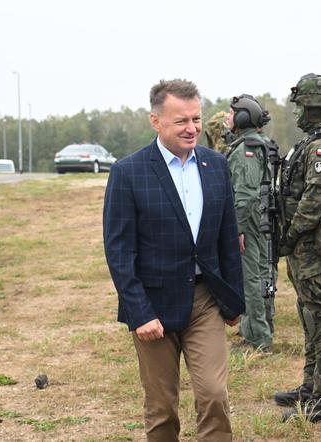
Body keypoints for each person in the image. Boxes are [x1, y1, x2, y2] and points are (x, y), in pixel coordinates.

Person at [103, 79, 245, 442]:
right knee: (162, 407)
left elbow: (228, 239)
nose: (192, 128)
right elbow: (120, 253)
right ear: (156, 122)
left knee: (214, 394)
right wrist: (139, 312)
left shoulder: (216, 165)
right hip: (154, 305)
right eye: (181, 120)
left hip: (205, 301)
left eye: (196, 119)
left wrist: (234, 300)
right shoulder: (128, 172)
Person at [274, 73, 321, 422]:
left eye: (300, 106)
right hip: (301, 246)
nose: (297, 113)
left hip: (311, 246)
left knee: (320, 320)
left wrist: (288, 237)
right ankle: (310, 386)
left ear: (310, 106)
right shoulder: (310, 143)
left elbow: (315, 201)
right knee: (309, 317)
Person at [225, 94, 274, 353]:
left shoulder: (247, 151)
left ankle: (257, 339)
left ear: (243, 117)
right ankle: (256, 330)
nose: (227, 117)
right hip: (255, 217)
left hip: (249, 219)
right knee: (257, 274)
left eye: (232, 113)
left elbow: (244, 194)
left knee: (250, 277)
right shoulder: (249, 145)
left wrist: (238, 229)